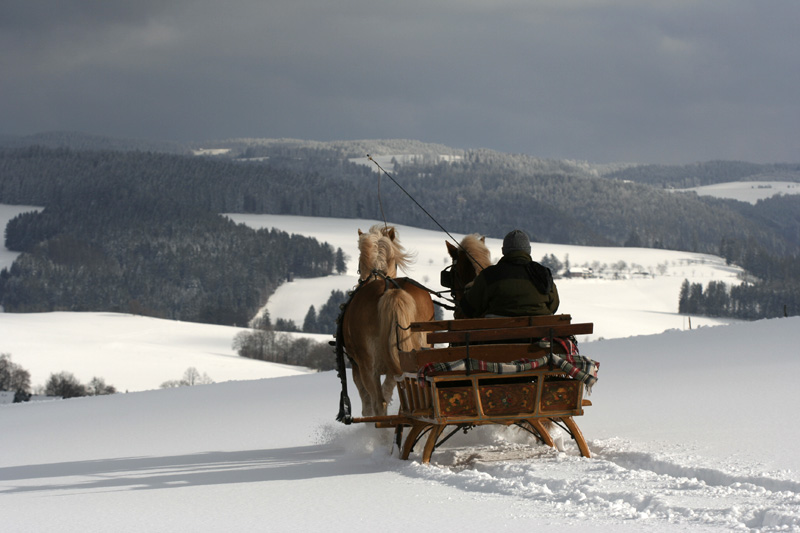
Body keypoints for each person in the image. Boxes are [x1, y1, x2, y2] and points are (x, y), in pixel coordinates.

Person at [459, 229, 559, 318]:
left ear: (503, 251)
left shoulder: (489, 275)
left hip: (498, 334)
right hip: (540, 333)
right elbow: (554, 305)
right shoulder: (542, 273)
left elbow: (470, 308)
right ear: (528, 251)